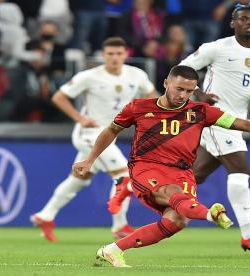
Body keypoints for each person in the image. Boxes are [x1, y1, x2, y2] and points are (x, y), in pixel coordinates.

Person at [72, 65, 250, 267]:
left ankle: (113, 250)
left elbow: (244, 124)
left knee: (177, 220)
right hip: (146, 167)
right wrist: (90, 159)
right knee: (172, 193)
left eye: (189, 91)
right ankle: (209, 215)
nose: (183, 95)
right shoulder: (138, 107)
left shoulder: (201, 112)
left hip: (182, 172)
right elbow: (111, 130)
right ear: (166, 83)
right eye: (179, 89)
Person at [112, 2, 250, 251]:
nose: (249, 23)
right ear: (233, 23)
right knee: (240, 169)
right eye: (243, 19)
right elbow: (182, 70)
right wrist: (199, 95)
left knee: (197, 174)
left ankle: (127, 187)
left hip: (238, 118)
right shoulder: (216, 48)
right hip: (215, 118)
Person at [30, 37, 157, 242]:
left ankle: (45, 215)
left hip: (110, 135)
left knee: (78, 180)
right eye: (110, 54)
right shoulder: (89, 76)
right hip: (89, 134)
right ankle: (119, 225)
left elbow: (152, 97)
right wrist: (80, 118)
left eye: (118, 53)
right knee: (125, 174)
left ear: (126, 54)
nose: (114, 58)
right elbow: (58, 97)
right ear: (103, 55)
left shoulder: (137, 75)